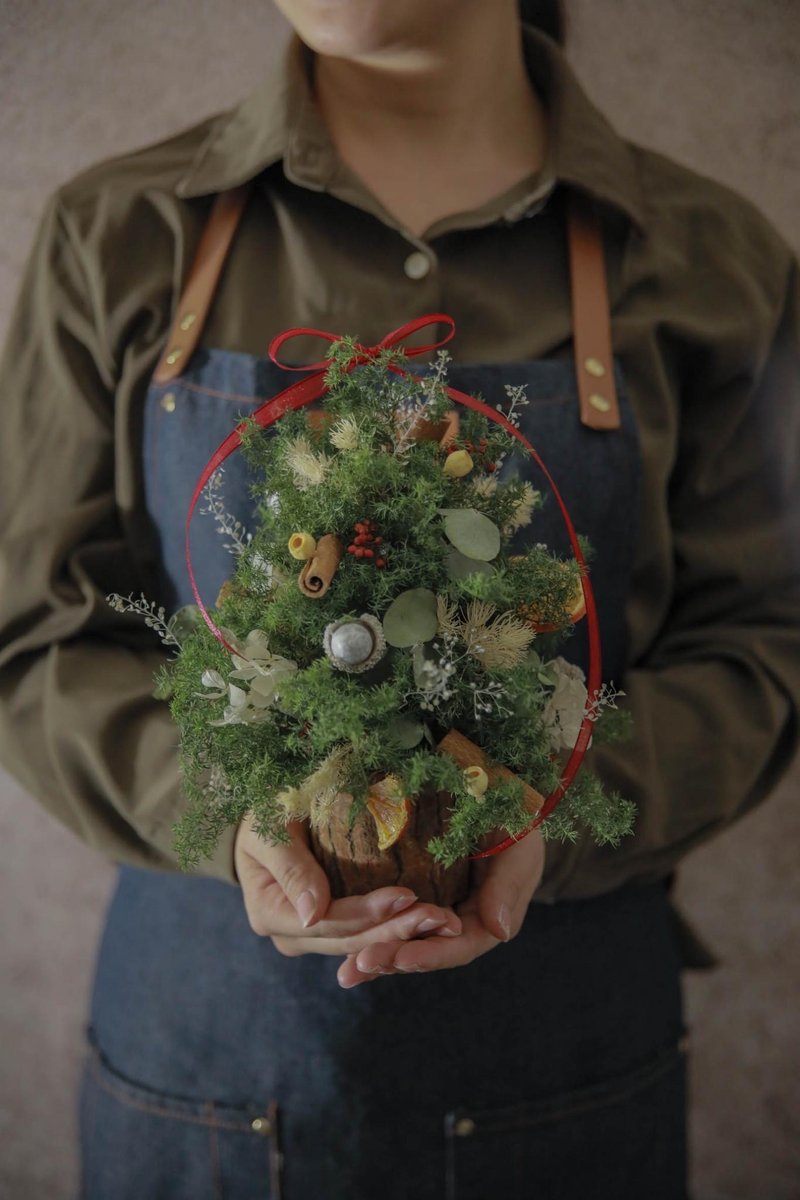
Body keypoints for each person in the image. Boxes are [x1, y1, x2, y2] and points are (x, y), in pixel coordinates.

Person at [1, 1, 798, 1196]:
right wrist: (229, 807)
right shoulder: (119, 233)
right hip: (205, 1073)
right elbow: (34, 636)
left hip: (570, 1071)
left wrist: (545, 808)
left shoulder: (706, 257)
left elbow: (764, 645)